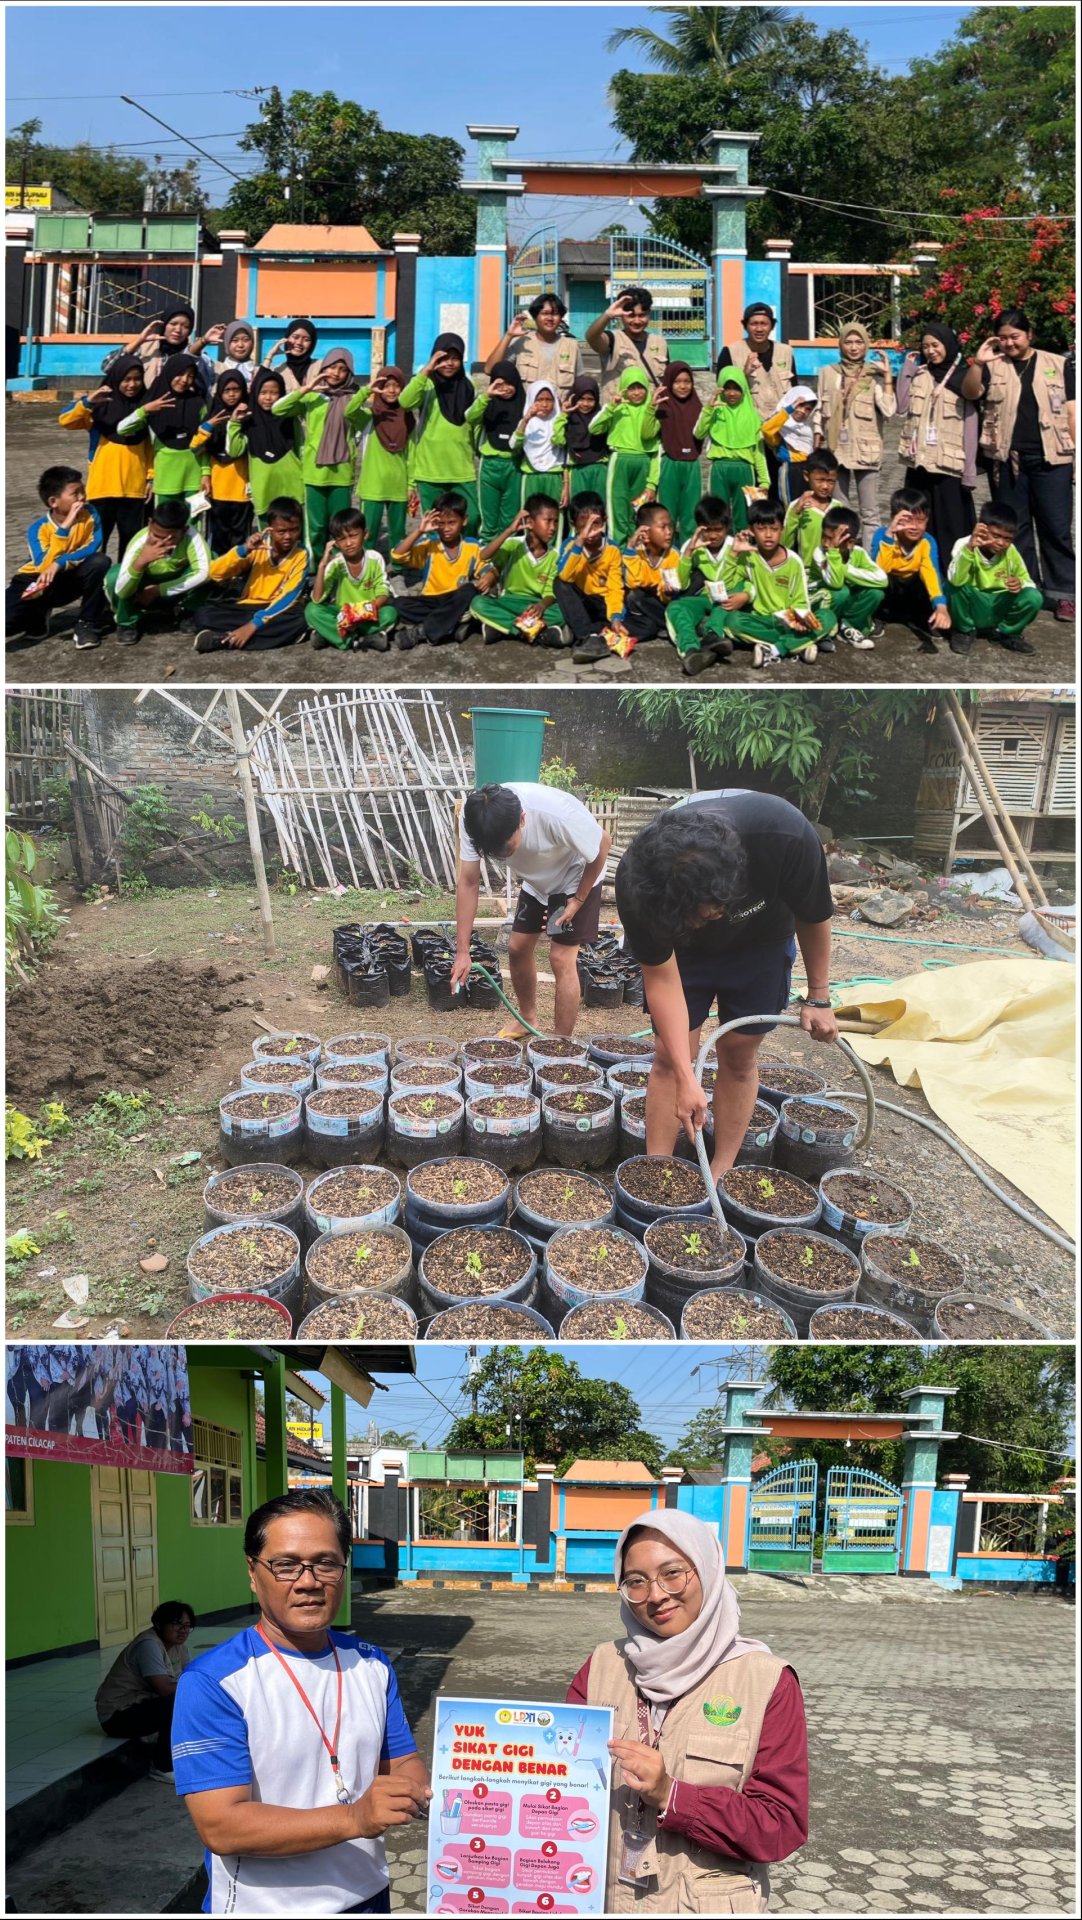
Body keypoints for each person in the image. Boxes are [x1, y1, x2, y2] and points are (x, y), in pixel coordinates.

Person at [173, 1488, 429, 1916]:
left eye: (325, 1563)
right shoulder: (214, 1682)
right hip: (266, 1907)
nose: (308, 1581)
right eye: (286, 1565)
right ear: (253, 1574)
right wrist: (355, 1819)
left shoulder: (371, 1664)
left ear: (343, 1570)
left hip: (368, 1897)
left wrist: (443, 1792)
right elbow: (221, 1825)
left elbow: (400, 1761)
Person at [568, 1510, 808, 1915]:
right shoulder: (601, 1666)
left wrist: (672, 1795)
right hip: (601, 1899)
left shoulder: (767, 1681)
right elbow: (555, 1779)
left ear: (708, 1569)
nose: (656, 1594)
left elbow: (780, 1826)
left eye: (673, 1573)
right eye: (636, 1581)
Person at [615, 789, 837, 1175]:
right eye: (696, 916)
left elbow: (814, 914)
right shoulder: (641, 882)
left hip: (762, 942)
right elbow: (661, 980)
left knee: (739, 1054)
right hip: (682, 953)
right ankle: (655, 1174)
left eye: (709, 913)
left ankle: (719, 1172)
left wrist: (818, 995)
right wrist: (687, 1076)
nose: (706, 921)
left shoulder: (784, 836)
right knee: (670, 1056)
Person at [455, 780, 612, 1038]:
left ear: (522, 820)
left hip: (577, 874)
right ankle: (528, 1019)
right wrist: (462, 951)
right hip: (538, 881)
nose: (503, 856)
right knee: (517, 948)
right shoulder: (476, 821)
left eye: (507, 848)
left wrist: (579, 900)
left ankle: (559, 1044)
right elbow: (469, 882)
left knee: (561, 958)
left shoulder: (556, 814)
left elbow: (603, 844)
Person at [962, 308, 1075, 623]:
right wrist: (979, 362)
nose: (1010, 343)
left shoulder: (1057, 363)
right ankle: (1027, 587)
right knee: (1016, 529)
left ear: (1029, 335)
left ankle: (1064, 593)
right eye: (1004, 338)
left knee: (1056, 527)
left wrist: (1076, 457)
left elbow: (1071, 411)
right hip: (1007, 460)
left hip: (1053, 459)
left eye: (1016, 336)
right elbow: (971, 393)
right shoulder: (993, 366)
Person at [896, 323, 978, 561]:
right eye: (925, 346)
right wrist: (907, 370)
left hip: (948, 467)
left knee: (951, 528)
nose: (931, 351)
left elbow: (971, 428)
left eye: (935, 345)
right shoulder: (920, 375)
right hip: (919, 465)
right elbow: (901, 406)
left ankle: (951, 578)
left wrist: (970, 472)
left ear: (948, 345)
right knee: (917, 525)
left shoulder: (964, 379)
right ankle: (923, 578)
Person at [6, 465, 109, 652]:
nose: (82, 497)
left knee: (100, 562)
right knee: (7, 622)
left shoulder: (90, 513)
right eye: (75, 494)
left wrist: (60, 563)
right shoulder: (38, 529)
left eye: (83, 490)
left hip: (69, 578)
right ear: (53, 501)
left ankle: (87, 624)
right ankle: (37, 614)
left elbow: (93, 547)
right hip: (36, 580)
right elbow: (43, 565)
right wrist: (65, 527)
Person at [57, 355, 151, 557]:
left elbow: (150, 448)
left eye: (137, 379)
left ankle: (123, 587)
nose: (132, 384)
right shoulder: (98, 410)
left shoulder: (145, 409)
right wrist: (88, 402)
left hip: (134, 490)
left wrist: (151, 476)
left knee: (131, 548)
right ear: (116, 379)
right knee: (97, 546)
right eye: (126, 379)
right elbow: (65, 420)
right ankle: (96, 586)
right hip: (102, 490)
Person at [272, 348, 362, 557]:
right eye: (332, 367)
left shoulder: (354, 399)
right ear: (323, 369)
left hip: (341, 473)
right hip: (314, 472)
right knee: (316, 526)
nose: (336, 373)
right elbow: (278, 409)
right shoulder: (312, 398)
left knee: (341, 526)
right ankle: (315, 568)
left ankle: (341, 565)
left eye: (342, 369)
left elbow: (363, 420)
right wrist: (306, 388)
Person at [723, 499, 833, 667]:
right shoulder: (747, 557)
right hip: (761, 620)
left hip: (789, 622)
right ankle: (799, 645)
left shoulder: (794, 561)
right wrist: (733, 554)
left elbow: (801, 600)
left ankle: (775, 649)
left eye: (774, 529)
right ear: (751, 530)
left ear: (782, 529)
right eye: (761, 529)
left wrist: (800, 619)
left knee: (828, 617)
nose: (768, 535)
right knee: (732, 622)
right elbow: (727, 586)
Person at [96, 1600, 196, 1783]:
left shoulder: (179, 1647)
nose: (183, 1630)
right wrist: (197, 1686)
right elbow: (164, 1689)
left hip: (140, 1706)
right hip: (116, 1716)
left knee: (195, 1698)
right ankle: (162, 1766)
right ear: (159, 1624)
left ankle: (187, 1754)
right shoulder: (148, 1645)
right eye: (177, 1624)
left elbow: (193, 1676)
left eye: (188, 1626)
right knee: (175, 1702)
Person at [814, 325, 896, 548]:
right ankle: (843, 554)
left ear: (866, 345)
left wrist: (887, 377)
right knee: (840, 507)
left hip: (866, 449)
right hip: (836, 449)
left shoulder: (874, 373)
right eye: (848, 342)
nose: (853, 347)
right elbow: (820, 410)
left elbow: (889, 410)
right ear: (840, 344)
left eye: (858, 342)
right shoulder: (828, 372)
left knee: (869, 512)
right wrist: (816, 438)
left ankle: (869, 557)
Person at [193, 502, 310, 654]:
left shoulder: (301, 554)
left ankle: (225, 639)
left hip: (277, 609)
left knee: (300, 619)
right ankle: (286, 637)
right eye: (281, 531)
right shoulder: (257, 545)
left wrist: (253, 625)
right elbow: (215, 572)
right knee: (203, 615)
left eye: (294, 530)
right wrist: (243, 550)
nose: (288, 536)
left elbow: (289, 596)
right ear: (270, 528)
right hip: (248, 607)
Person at [399, 335, 479, 534]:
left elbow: (475, 422)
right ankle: (437, 562)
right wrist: (426, 369)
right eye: (443, 358)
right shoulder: (426, 385)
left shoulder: (469, 387)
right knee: (436, 524)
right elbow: (405, 402)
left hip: (461, 468)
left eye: (455, 358)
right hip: (430, 469)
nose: (449, 363)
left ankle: (464, 559)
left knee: (472, 518)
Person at [106, 498, 211, 643]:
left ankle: (187, 611)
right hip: (142, 589)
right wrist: (141, 562)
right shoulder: (139, 542)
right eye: (156, 536)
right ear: (149, 524)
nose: (162, 542)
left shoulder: (192, 537)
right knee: (114, 576)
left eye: (170, 538)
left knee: (214, 563)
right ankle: (127, 622)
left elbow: (204, 572)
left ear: (184, 530)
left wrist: (158, 590)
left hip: (171, 589)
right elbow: (121, 590)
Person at [945, 502, 1044, 656]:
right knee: (952, 586)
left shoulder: (1010, 551)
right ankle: (964, 630)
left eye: (1007, 538)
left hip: (998, 605)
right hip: (974, 604)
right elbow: (955, 579)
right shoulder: (964, 544)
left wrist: (1020, 584)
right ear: (982, 529)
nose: (1001, 543)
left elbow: (1027, 581)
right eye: (996, 536)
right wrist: (970, 549)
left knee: (1033, 596)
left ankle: (1006, 633)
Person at [470, 496, 566, 646]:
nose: (553, 527)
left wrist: (542, 605)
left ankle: (501, 628)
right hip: (508, 601)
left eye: (556, 522)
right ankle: (529, 632)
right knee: (477, 603)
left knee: (562, 612)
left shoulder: (555, 556)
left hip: (534, 606)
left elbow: (549, 593)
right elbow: (484, 556)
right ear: (530, 522)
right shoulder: (514, 544)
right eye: (548, 521)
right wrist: (509, 530)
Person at [389, 493, 481, 647]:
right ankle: (451, 626)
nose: (446, 528)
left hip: (455, 598)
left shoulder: (473, 546)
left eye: (452, 522)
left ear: (464, 521)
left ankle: (423, 631)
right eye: (441, 523)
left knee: (470, 590)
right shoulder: (429, 544)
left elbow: (486, 568)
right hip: (431, 599)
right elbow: (397, 556)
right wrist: (419, 531)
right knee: (397, 604)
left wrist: (488, 576)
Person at [117, 354, 208, 508]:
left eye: (190, 375)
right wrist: (145, 410)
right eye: (180, 374)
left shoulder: (198, 403)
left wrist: (206, 473)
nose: (185, 380)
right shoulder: (153, 402)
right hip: (165, 478)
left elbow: (205, 442)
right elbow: (122, 429)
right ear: (170, 372)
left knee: (192, 525)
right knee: (165, 525)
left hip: (194, 477)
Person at [306, 507, 398, 653]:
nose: (348, 543)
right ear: (335, 542)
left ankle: (332, 636)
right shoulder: (336, 563)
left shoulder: (375, 558)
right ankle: (356, 640)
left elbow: (383, 592)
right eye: (341, 539)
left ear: (365, 534)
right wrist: (322, 565)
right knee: (311, 610)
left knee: (390, 614)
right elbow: (317, 599)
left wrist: (362, 613)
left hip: (367, 613)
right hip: (342, 614)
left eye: (353, 536)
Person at [870, 486, 951, 650]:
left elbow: (931, 574)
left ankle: (925, 617)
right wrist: (889, 536)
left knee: (936, 580)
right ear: (894, 518)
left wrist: (941, 607)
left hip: (912, 587)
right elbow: (878, 571)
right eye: (907, 520)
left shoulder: (927, 541)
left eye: (920, 520)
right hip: (889, 583)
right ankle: (879, 615)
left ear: (927, 520)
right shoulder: (882, 535)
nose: (915, 527)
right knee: (878, 586)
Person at [554, 494, 632, 661]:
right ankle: (590, 636)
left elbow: (615, 588)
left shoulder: (612, 550)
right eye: (583, 527)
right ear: (574, 526)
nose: (590, 532)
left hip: (602, 604)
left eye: (595, 525)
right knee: (559, 583)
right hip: (581, 602)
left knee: (635, 622)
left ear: (604, 521)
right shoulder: (570, 545)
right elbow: (565, 576)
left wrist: (615, 618)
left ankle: (591, 632)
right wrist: (579, 541)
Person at [590, 367, 662, 547]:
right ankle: (618, 551)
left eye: (640, 387)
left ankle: (638, 550)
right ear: (624, 389)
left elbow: (655, 452)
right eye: (631, 388)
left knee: (638, 509)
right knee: (618, 509)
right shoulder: (617, 408)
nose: (636, 393)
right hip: (620, 460)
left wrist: (652, 483)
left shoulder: (652, 409)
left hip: (643, 462)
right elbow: (594, 428)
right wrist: (611, 407)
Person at [665, 494, 735, 675]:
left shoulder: (736, 545)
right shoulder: (693, 545)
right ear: (699, 528)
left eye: (718, 529)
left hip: (729, 600)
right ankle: (691, 650)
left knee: (724, 606)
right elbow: (681, 583)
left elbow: (750, 580)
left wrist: (745, 595)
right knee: (676, 607)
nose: (712, 535)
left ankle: (713, 636)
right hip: (705, 598)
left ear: (727, 527)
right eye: (707, 530)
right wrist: (688, 554)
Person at [226, 368, 306, 528]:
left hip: (293, 488)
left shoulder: (289, 419)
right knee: (268, 536)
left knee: (295, 534)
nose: (268, 398)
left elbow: (301, 449)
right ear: (255, 393)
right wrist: (234, 423)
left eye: (274, 393)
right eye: (263, 392)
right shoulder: (249, 421)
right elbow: (234, 450)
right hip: (264, 490)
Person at [694, 370, 769, 533]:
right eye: (727, 388)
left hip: (744, 469)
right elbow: (698, 433)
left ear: (744, 390)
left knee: (743, 515)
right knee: (716, 513)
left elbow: (758, 451)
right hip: (719, 468)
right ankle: (718, 551)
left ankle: (741, 553)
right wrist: (708, 409)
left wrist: (764, 481)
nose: (732, 393)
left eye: (737, 388)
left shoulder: (752, 416)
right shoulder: (715, 411)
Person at [351, 367, 414, 553]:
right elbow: (349, 411)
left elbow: (412, 455)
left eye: (397, 386)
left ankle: (398, 570)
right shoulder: (370, 417)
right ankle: (365, 570)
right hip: (373, 487)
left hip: (398, 486)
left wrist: (411, 485)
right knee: (367, 534)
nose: (392, 390)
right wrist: (368, 390)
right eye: (386, 386)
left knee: (398, 534)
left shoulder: (408, 418)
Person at [808, 505, 887, 651]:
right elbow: (836, 584)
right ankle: (823, 630)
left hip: (842, 600)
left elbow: (882, 579)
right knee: (842, 591)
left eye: (832, 539)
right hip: (819, 600)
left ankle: (848, 627)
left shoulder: (859, 553)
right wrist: (833, 552)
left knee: (876, 593)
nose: (826, 543)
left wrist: (845, 569)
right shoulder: (819, 552)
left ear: (850, 543)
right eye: (824, 537)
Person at [192, 370, 253, 555]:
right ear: (220, 393)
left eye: (236, 389)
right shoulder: (213, 416)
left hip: (242, 489)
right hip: (218, 489)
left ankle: (238, 575)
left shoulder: (249, 417)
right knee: (218, 536)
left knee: (240, 536)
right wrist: (205, 475)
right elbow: (197, 449)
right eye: (227, 390)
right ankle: (218, 576)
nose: (232, 394)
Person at [483, 291, 584, 400]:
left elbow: (580, 384)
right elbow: (490, 370)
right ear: (535, 317)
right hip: (525, 414)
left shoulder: (572, 346)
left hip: (559, 414)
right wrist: (508, 335)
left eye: (555, 313)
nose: (550, 318)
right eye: (544, 313)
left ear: (561, 318)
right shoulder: (521, 342)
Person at [467, 360, 527, 542]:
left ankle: (505, 558)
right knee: (488, 517)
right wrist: (487, 395)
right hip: (490, 464)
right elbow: (470, 417)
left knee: (510, 517)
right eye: (500, 384)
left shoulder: (524, 404)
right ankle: (486, 556)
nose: (506, 389)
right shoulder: (488, 403)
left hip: (514, 465)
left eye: (510, 383)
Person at [586, 286, 669, 405]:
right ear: (621, 315)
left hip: (650, 416)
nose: (637, 321)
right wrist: (608, 315)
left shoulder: (660, 342)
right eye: (631, 316)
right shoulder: (612, 339)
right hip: (619, 417)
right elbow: (591, 337)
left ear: (649, 313)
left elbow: (667, 381)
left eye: (642, 315)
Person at [618, 501, 682, 656]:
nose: (669, 532)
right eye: (663, 527)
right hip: (638, 608)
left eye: (670, 526)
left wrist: (666, 592)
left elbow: (668, 587)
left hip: (661, 605)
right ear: (645, 532)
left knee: (652, 624)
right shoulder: (635, 553)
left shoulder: (673, 555)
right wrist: (630, 549)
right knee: (636, 595)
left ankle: (666, 625)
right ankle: (666, 626)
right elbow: (633, 582)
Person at [655, 361, 705, 543]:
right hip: (669, 462)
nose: (683, 386)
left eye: (687, 381)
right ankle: (665, 553)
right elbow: (649, 432)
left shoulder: (697, 406)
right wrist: (651, 408)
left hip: (692, 463)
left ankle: (688, 553)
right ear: (669, 383)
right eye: (677, 382)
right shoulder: (662, 406)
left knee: (691, 515)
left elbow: (702, 432)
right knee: (666, 513)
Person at [781, 449, 844, 569]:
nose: (825, 486)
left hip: (833, 569)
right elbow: (785, 544)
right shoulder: (797, 507)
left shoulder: (838, 507)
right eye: (820, 480)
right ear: (806, 476)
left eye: (831, 481)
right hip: (807, 572)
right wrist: (795, 514)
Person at [552, 375, 609, 508]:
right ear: (574, 398)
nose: (585, 404)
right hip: (577, 471)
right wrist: (563, 415)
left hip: (599, 468)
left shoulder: (600, 419)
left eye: (590, 399)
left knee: (599, 508)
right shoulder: (569, 420)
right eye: (581, 399)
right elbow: (558, 440)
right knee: (579, 510)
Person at [511, 380, 567, 513]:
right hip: (531, 476)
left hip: (554, 476)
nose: (545, 404)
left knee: (553, 519)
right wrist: (526, 420)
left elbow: (565, 455)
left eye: (549, 399)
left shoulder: (560, 422)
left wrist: (565, 485)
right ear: (531, 400)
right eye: (540, 399)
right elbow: (514, 445)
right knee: (531, 518)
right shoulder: (527, 422)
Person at [761, 386, 817, 509]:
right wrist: (789, 408)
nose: (802, 411)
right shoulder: (781, 428)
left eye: (807, 409)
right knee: (791, 507)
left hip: (807, 470)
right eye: (800, 406)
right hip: (790, 471)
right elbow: (766, 430)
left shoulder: (807, 428)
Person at [263, 318, 323, 394]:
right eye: (295, 337)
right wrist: (270, 355)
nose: (299, 342)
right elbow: (257, 389)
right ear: (287, 338)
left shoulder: (320, 367)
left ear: (312, 343)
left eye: (306, 339)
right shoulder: (277, 371)